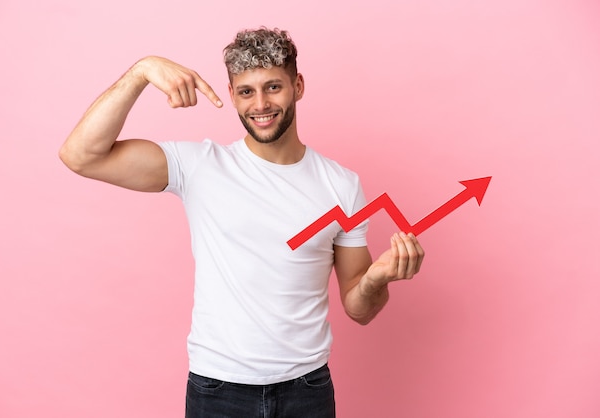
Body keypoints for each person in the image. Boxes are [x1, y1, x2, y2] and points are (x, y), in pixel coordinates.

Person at [59, 27, 425, 418]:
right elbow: (81, 155)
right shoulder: (200, 167)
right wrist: (141, 71)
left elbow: (360, 309)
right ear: (232, 95)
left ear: (297, 86)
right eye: (247, 91)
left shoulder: (341, 184)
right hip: (218, 390)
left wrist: (376, 279)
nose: (261, 104)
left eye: (273, 87)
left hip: (307, 390)